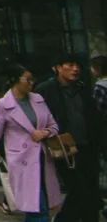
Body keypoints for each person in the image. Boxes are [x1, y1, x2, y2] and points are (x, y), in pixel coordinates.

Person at [0, 64, 63, 222]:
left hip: (43, 159)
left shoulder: (38, 99)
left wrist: (44, 132)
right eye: (27, 79)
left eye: (33, 79)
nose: (31, 83)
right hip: (22, 161)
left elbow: (54, 125)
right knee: (38, 208)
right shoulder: (2, 105)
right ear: (15, 80)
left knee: (39, 206)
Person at [37, 53, 102, 222]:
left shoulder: (83, 89)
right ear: (58, 68)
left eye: (78, 66)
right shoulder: (45, 90)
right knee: (79, 190)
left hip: (87, 146)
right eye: (70, 65)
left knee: (91, 191)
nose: (75, 69)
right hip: (63, 149)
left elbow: (93, 118)